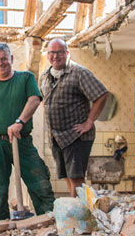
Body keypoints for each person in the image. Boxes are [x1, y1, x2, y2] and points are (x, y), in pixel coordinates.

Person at [0, 43, 55, 221]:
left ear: (11, 59)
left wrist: (19, 122)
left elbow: (34, 99)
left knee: (40, 184)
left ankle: (49, 223)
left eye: (4, 59)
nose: (0, 63)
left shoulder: (25, 78)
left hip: (21, 140)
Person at [40, 38, 108, 197]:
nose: (55, 56)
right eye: (52, 52)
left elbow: (102, 95)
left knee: (76, 179)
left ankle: (79, 215)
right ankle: (75, 209)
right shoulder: (45, 76)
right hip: (56, 136)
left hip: (76, 136)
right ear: (47, 55)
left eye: (59, 52)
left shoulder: (79, 73)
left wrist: (89, 122)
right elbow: (43, 99)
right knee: (67, 177)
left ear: (67, 53)